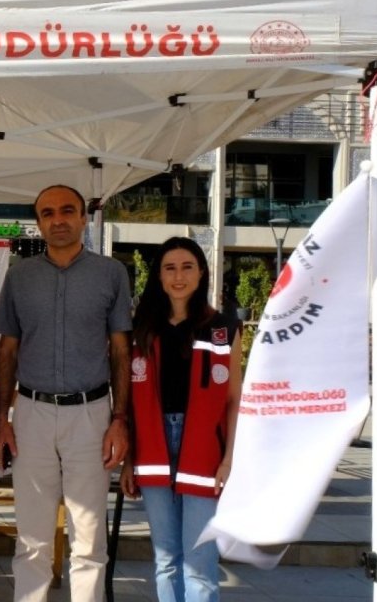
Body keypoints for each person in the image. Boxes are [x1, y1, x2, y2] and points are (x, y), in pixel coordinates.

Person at [0, 184, 133, 602]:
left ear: (83, 218)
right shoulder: (19, 276)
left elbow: (122, 349)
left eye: (67, 210)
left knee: (89, 540)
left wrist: (120, 419)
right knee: (32, 538)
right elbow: (7, 348)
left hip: (91, 415)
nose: (58, 219)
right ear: (38, 223)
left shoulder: (111, 274)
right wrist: (2, 418)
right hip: (32, 413)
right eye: (48, 213)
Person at [119, 237, 243, 602]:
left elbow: (235, 399)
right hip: (153, 448)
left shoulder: (224, 328)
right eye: (169, 268)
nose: (178, 276)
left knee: (200, 561)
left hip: (204, 449)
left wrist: (229, 458)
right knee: (167, 558)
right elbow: (125, 400)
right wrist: (128, 460)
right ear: (158, 276)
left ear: (201, 272)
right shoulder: (140, 329)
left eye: (187, 266)